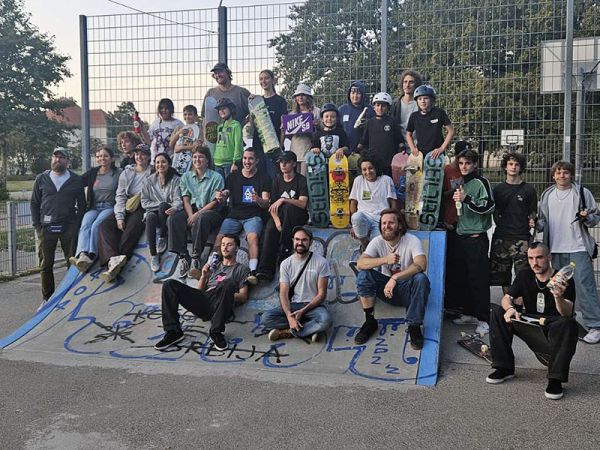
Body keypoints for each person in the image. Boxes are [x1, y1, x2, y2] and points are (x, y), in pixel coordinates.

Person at [486, 243, 578, 401]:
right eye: (530, 258)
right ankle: (503, 367)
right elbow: (507, 298)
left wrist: (558, 296)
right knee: (498, 312)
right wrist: (509, 309)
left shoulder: (562, 278)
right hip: (529, 322)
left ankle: (555, 379)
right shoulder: (524, 275)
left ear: (549, 258)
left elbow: (567, 313)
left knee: (568, 324)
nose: (534, 262)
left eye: (539, 257)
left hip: (553, 326)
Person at [536, 160, 600, 344]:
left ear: (571, 175)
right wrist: (535, 224)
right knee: (558, 287)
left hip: (578, 247)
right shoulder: (548, 194)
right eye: (558, 172)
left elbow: (594, 218)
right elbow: (543, 222)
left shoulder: (581, 193)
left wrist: (587, 217)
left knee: (584, 286)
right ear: (553, 175)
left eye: (565, 172)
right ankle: (562, 321)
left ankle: (595, 325)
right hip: (555, 248)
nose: (562, 176)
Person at [155, 234, 250, 352]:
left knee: (228, 283)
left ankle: (216, 332)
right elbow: (199, 292)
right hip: (204, 301)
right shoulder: (215, 266)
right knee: (169, 284)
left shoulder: (241, 269)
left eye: (229, 245)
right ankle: (173, 331)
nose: (225, 248)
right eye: (223, 245)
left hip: (220, 304)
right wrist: (204, 276)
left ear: (236, 248)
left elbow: (243, 297)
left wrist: (222, 293)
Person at [354, 209, 430, 349]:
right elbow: (360, 263)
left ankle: (414, 326)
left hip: (408, 291)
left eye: (391, 223)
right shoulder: (377, 241)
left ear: (400, 225)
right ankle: (370, 321)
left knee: (420, 278)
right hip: (386, 291)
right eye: (383, 223)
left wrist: (395, 277)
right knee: (364, 274)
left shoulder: (412, 240)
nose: (386, 226)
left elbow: (421, 264)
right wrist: (385, 260)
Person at [31, 148, 85, 303]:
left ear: (67, 161)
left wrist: (77, 225)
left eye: (62, 157)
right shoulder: (41, 179)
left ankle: (70, 296)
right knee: (46, 265)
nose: (58, 160)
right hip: (46, 228)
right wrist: (38, 226)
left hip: (68, 227)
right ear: (51, 159)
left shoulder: (75, 180)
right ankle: (47, 298)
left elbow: (82, 204)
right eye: (55, 157)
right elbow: (34, 203)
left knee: (72, 264)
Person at [261, 226, 332, 342]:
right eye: (297, 239)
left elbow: (321, 294)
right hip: (293, 305)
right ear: (293, 241)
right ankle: (309, 329)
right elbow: (283, 294)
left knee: (326, 320)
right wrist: (289, 316)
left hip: (312, 306)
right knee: (266, 318)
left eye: (304, 240)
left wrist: (303, 311)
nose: (300, 243)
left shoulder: (321, 262)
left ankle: (287, 332)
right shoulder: (286, 264)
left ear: (310, 242)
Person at [451, 149, 495, 334]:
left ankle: (484, 318)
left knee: (479, 279)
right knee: (463, 278)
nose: (464, 167)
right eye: (461, 163)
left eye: (468, 163)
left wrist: (467, 199)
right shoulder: (459, 183)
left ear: (475, 164)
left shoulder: (481, 182)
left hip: (476, 237)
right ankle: (469, 312)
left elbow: (489, 206)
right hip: (461, 235)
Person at [214, 147, 271, 284]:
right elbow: (226, 192)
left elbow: (266, 202)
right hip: (234, 215)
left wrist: (257, 199)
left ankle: (252, 271)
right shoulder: (234, 176)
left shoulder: (264, 177)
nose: (247, 161)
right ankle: (213, 264)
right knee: (220, 238)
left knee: (252, 238)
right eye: (245, 158)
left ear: (256, 161)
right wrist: (221, 196)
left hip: (253, 215)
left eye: (250, 158)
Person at [97, 144, 152, 282]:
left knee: (132, 229)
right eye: (137, 154)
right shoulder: (127, 172)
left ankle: (118, 263)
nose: (139, 157)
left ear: (149, 156)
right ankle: (113, 259)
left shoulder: (153, 172)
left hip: (142, 206)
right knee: (105, 226)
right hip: (127, 204)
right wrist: (119, 216)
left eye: (143, 154)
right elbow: (120, 196)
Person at [256, 152, 309, 282]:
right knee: (269, 230)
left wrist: (284, 200)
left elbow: (302, 204)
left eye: (287, 162)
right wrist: (277, 222)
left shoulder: (301, 179)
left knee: (289, 208)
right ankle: (265, 270)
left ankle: (285, 249)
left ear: (294, 164)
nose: (283, 165)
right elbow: (273, 207)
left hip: (298, 216)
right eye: (281, 162)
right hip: (280, 217)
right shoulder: (277, 180)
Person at [489, 152, 537, 292]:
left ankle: (522, 307)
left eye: (517, 164)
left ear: (521, 167)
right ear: (505, 167)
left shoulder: (529, 190)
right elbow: (495, 213)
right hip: (501, 238)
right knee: (503, 278)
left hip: (522, 238)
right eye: (510, 164)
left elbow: (533, 211)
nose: (513, 167)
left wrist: (532, 220)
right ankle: (508, 307)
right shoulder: (498, 190)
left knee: (524, 275)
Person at [69, 146, 122, 273]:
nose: (102, 158)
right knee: (85, 224)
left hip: (109, 206)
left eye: (105, 156)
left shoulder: (118, 172)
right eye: (99, 156)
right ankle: (82, 254)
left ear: (111, 158)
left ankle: (92, 255)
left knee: (96, 225)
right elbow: (78, 181)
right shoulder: (93, 172)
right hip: (94, 206)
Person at [179, 145, 226, 279]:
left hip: (212, 211)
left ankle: (195, 257)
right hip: (192, 210)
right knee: (174, 219)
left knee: (202, 218)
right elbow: (186, 200)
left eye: (200, 157)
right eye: (194, 157)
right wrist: (190, 215)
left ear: (207, 160)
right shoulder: (186, 177)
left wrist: (196, 215)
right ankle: (183, 256)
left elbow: (214, 202)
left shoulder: (216, 177)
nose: (197, 160)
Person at [141, 153, 187, 274]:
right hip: (153, 212)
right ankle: (153, 255)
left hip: (168, 212)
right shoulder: (149, 180)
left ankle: (162, 235)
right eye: (157, 162)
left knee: (163, 206)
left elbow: (178, 199)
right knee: (150, 217)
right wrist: (161, 203)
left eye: (163, 162)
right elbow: (144, 202)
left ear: (169, 163)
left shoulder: (176, 179)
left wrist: (174, 207)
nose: (160, 165)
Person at [349, 153, 397, 251]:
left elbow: (393, 203)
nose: (368, 172)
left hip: (380, 220)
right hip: (363, 218)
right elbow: (353, 203)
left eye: (370, 168)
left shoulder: (386, 180)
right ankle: (364, 244)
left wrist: (392, 221)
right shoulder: (358, 180)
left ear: (376, 167)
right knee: (356, 217)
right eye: (364, 170)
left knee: (377, 248)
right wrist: (354, 225)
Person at [251, 69, 288, 178]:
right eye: (261, 79)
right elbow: (252, 125)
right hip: (259, 145)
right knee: (260, 176)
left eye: (266, 78)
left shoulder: (280, 101)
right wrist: (251, 104)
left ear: (273, 80)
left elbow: (283, 126)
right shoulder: (257, 101)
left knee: (274, 177)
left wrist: (280, 147)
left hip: (274, 146)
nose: (264, 81)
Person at [357, 92, 403, 177]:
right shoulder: (370, 122)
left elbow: (399, 139)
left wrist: (402, 149)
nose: (380, 108)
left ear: (388, 107)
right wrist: (357, 149)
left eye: (383, 106)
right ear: (374, 107)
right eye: (377, 105)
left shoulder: (392, 122)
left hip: (389, 161)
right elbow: (364, 139)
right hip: (374, 162)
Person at [339, 80, 375, 181]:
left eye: (358, 93)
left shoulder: (369, 110)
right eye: (352, 92)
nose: (355, 96)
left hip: (363, 152)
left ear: (363, 94)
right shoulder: (342, 109)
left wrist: (367, 124)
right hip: (345, 151)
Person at [406, 85, 454, 159]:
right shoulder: (414, 116)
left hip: (437, 155)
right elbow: (408, 134)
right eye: (420, 99)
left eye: (426, 98)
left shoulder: (439, 113)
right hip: (420, 155)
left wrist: (442, 148)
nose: (423, 101)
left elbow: (451, 131)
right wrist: (413, 148)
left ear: (431, 100)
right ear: (417, 101)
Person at [285, 83, 320, 174]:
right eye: (298, 95)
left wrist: (315, 126)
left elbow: (323, 131)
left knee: (305, 178)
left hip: (309, 149)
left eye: (303, 95)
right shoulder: (291, 115)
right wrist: (285, 128)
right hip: (295, 150)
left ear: (308, 97)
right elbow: (289, 136)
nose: (300, 97)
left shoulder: (316, 112)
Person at [140, 98, 183, 163]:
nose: (164, 110)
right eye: (161, 108)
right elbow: (149, 142)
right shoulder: (155, 123)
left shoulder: (178, 124)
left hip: (172, 159)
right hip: (157, 160)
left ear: (171, 110)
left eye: (166, 108)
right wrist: (142, 129)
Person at [213, 97, 243, 179]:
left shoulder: (235, 125)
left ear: (231, 109)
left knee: (229, 188)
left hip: (229, 164)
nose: (221, 111)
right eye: (219, 109)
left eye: (224, 108)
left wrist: (236, 162)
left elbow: (238, 145)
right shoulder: (219, 126)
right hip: (217, 163)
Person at [169, 104, 201, 175]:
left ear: (195, 116)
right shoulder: (179, 128)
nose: (187, 117)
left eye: (190, 114)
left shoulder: (199, 129)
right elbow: (171, 145)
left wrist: (182, 148)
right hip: (177, 160)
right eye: (185, 114)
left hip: (192, 162)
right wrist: (178, 133)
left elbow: (198, 146)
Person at [390, 69, 422, 140]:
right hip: (400, 146)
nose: (407, 85)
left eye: (411, 82)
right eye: (405, 82)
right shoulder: (395, 104)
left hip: (418, 146)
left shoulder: (421, 104)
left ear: (416, 84)